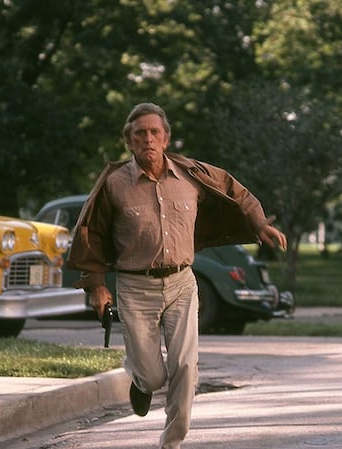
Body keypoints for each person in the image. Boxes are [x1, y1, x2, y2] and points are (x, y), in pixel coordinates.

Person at [66, 102, 287, 449]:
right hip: (135, 286)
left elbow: (234, 190)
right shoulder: (114, 185)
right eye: (140, 133)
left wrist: (258, 223)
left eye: (155, 132)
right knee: (154, 375)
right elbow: (91, 234)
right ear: (129, 141)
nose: (148, 139)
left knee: (185, 365)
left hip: (182, 283)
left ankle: (172, 442)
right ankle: (140, 382)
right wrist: (96, 286)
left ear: (166, 139)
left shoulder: (192, 175)